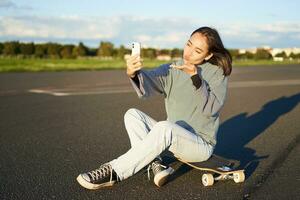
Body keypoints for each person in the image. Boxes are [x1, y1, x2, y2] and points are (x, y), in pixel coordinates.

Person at [76, 26, 232, 190]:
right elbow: (149, 81)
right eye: (189, 44)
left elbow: (211, 109)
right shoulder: (173, 69)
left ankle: (114, 171)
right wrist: (133, 73)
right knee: (132, 114)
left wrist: (195, 77)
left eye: (197, 51)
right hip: (173, 141)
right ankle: (156, 163)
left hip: (199, 145)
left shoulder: (217, 73)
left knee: (164, 127)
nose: (188, 52)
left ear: (208, 55)